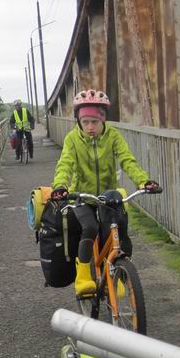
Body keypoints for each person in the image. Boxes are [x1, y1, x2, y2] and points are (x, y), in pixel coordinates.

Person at [50, 89, 160, 296]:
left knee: (117, 230)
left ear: (103, 121)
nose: (90, 127)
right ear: (79, 123)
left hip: (107, 194)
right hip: (82, 195)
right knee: (89, 228)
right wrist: (61, 186)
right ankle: (83, 276)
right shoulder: (73, 139)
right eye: (85, 122)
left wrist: (143, 181)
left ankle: (117, 271)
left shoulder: (113, 136)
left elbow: (127, 159)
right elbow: (65, 164)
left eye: (95, 122)